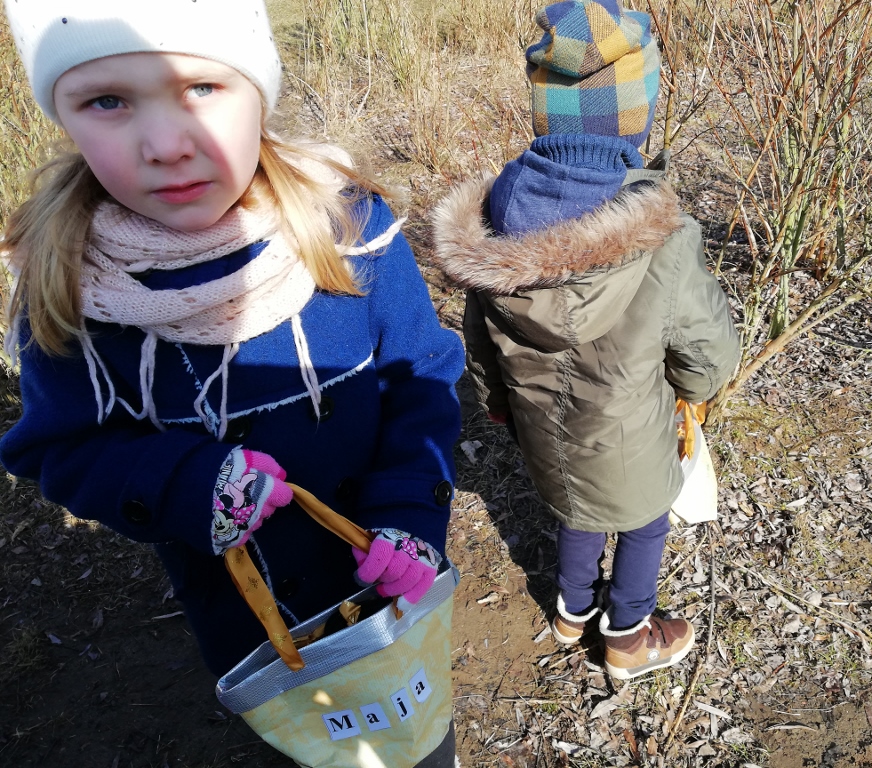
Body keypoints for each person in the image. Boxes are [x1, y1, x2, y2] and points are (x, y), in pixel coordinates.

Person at [0, 1, 463, 762]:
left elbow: (422, 373)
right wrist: (183, 482)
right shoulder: (70, 289)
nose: (165, 145)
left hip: (392, 603)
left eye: (203, 88)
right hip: (253, 628)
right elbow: (58, 450)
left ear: (259, 89)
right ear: (63, 117)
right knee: (311, 750)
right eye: (107, 101)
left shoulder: (347, 227)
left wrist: (411, 508)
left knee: (419, 746)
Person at [431, 0, 740, 681]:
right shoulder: (663, 236)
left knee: (577, 508)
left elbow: (478, 339)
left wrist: (499, 407)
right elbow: (709, 351)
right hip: (630, 434)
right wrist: (693, 391)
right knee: (644, 522)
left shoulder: (496, 221)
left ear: (544, 111)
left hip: (543, 431)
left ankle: (572, 612)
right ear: (637, 115)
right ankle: (627, 634)